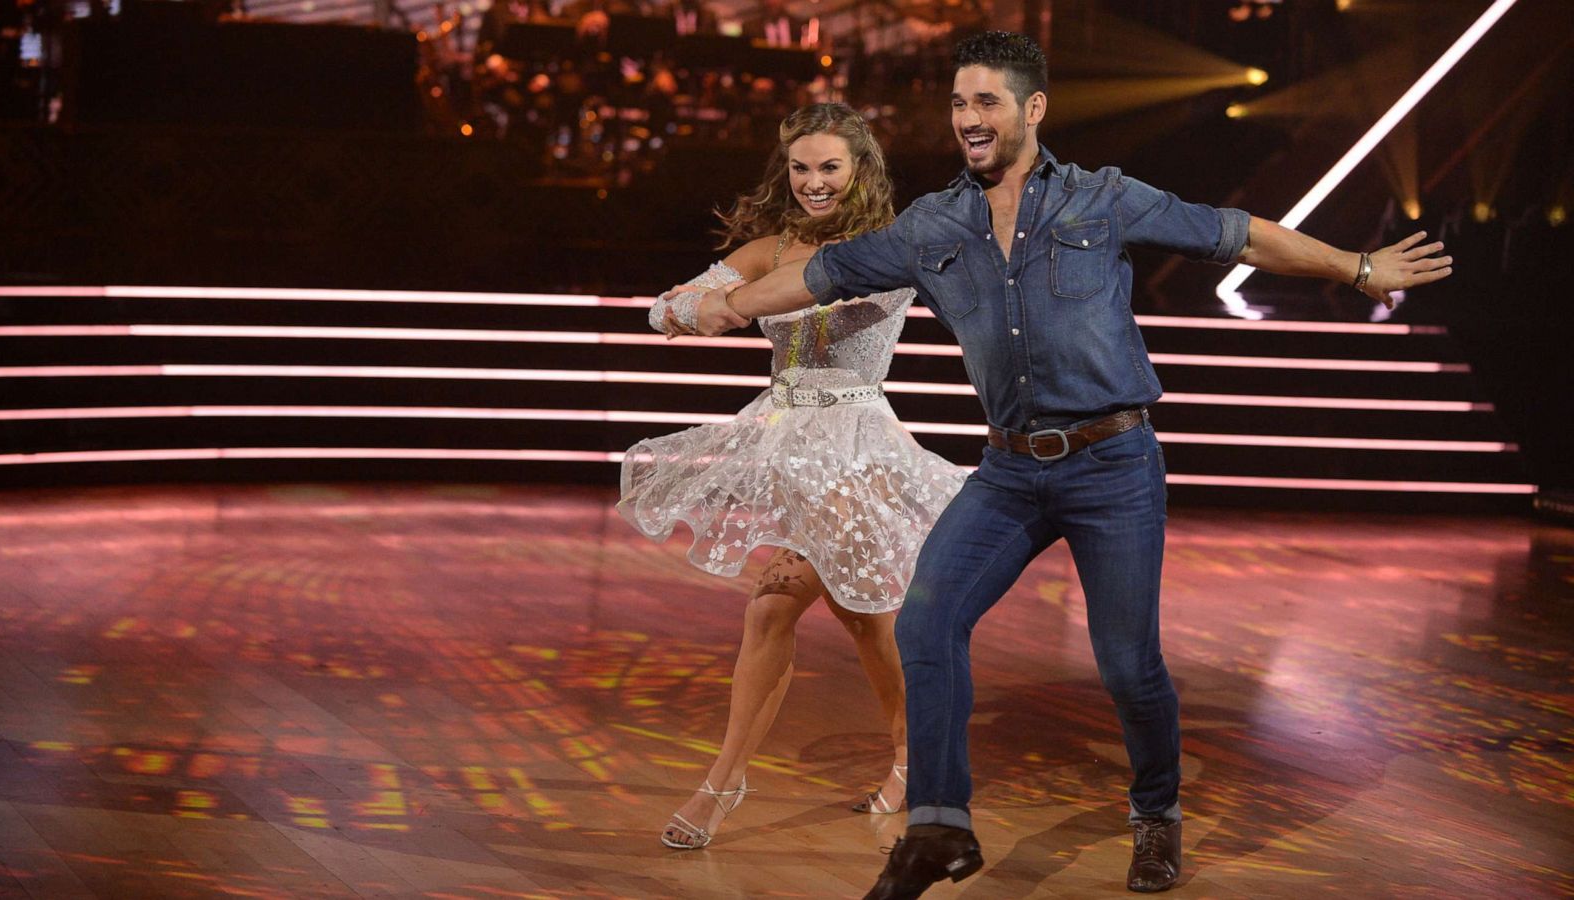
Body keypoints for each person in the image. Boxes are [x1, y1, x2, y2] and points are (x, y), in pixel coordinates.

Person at [689, 31, 1453, 896]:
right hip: (1010, 472)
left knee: (1128, 665)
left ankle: (1155, 815)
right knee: (927, 622)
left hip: (1112, 462)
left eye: (985, 102)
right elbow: (823, 272)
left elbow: (1237, 236)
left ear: (1031, 109)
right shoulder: (932, 224)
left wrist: (1356, 267)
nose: (968, 120)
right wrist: (728, 305)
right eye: (957, 104)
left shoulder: (1104, 199)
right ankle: (939, 828)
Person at [617, 103, 968, 851]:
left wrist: (740, 305)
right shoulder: (771, 248)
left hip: (855, 451)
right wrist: (698, 308)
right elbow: (661, 309)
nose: (813, 181)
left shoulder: (892, 247)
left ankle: (725, 785)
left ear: (861, 170)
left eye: (829, 167)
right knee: (862, 622)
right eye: (802, 168)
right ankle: (912, 763)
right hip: (784, 446)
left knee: (792, 612)